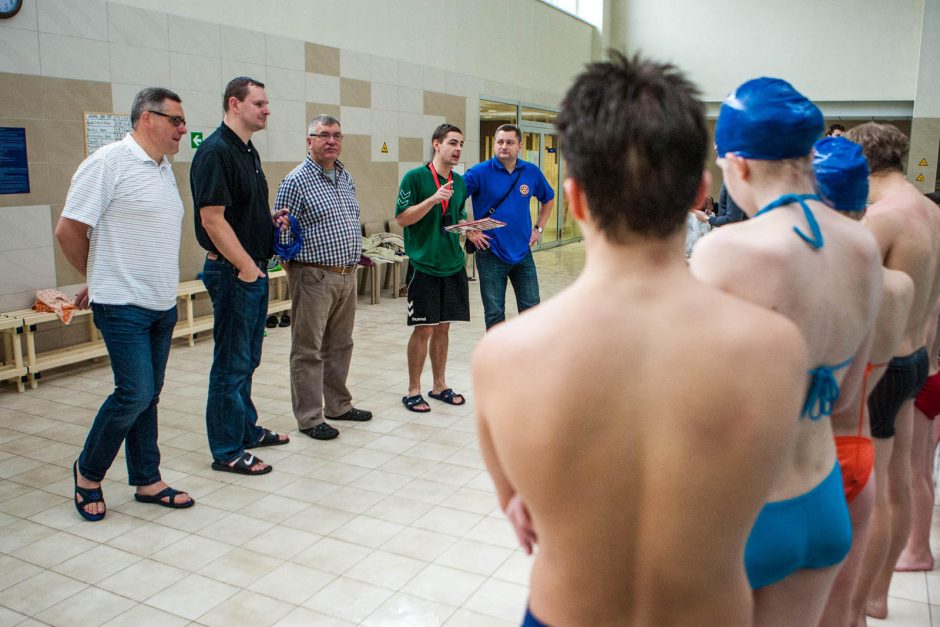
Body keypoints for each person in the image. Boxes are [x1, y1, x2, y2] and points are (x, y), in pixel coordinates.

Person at [475, 53, 809, 626]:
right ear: (699, 194)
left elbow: (520, 507)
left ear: (575, 199)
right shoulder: (777, 348)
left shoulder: (502, 356)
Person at [690, 78, 883, 626]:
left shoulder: (725, 249)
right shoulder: (864, 247)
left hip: (749, 510)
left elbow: (699, 408)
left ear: (741, 166)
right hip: (823, 503)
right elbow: (845, 399)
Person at [55, 87, 195, 520]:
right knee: (133, 391)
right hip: (122, 304)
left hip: (159, 302)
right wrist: (97, 277)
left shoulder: (163, 169)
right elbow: (68, 230)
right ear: (146, 119)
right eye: (175, 120)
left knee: (149, 394)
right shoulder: (108, 163)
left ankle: (147, 479)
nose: (183, 129)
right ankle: (88, 473)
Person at [810, 137, 914, 627]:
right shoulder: (897, 286)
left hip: (805, 461)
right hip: (858, 451)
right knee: (843, 613)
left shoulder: (802, 278)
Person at [845, 122, 940, 619]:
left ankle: (862, 601)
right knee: (901, 477)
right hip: (917, 358)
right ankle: (880, 593)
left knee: (876, 489)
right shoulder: (931, 210)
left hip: (882, 365)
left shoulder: (882, 218)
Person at [190, 76, 288, 476]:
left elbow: (238, 212)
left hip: (252, 270)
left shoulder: (246, 151)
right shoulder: (215, 152)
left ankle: (245, 429)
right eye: (259, 103)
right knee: (230, 363)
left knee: (248, 358)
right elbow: (212, 220)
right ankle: (227, 449)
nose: (266, 110)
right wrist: (247, 267)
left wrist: (268, 222)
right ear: (235, 103)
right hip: (234, 272)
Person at [273, 114, 372, 441]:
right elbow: (281, 236)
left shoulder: (346, 176)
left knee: (341, 344)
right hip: (313, 275)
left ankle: (338, 405)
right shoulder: (296, 181)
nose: (331, 140)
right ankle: (309, 416)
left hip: (346, 274)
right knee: (308, 349)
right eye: (324, 135)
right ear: (309, 141)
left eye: (337, 135)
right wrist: (299, 273)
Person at [395, 124, 470, 413]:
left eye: (461, 143)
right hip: (424, 265)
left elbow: (457, 216)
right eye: (452, 142)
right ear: (436, 144)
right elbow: (402, 218)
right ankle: (413, 389)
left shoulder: (460, 182)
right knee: (423, 328)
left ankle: (439, 385)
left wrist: (469, 229)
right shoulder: (415, 178)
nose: (458, 148)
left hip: (452, 263)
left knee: (443, 327)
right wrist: (432, 199)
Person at [463, 124, 555, 329]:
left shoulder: (530, 171)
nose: (504, 146)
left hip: (523, 253)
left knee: (532, 308)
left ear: (519, 146)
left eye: (510, 142)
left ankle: (528, 357)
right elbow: (453, 200)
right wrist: (468, 230)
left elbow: (548, 198)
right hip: (490, 252)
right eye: (500, 142)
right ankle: (498, 360)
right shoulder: (478, 173)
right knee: (495, 313)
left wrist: (538, 229)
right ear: (495, 144)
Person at [898, 192, 940, 575]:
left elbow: (925, 336)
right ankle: (916, 545)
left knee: (915, 471)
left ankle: (918, 549)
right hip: (935, 374)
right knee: (922, 469)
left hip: (926, 375)